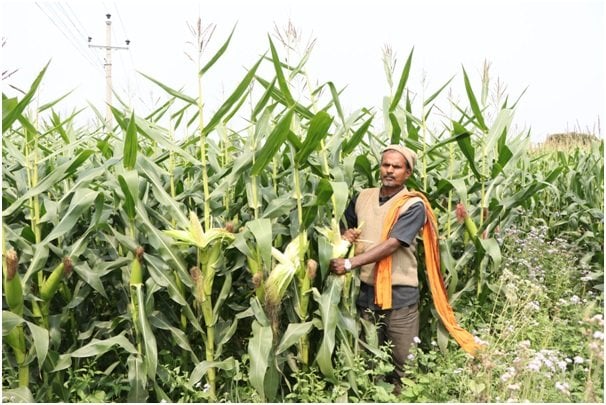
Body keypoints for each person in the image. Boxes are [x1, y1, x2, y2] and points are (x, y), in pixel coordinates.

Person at [329, 144, 425, 389]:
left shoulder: (413, 205)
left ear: (408, 173)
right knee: (368, 364)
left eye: (397, 167)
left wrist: (350, 263)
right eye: (386, 165)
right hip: (366, 294)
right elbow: (342, 227)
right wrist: (344, 236)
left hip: (399, 296)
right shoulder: (363, 197)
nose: (389, 170)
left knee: (404, 365)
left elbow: (393, 243)